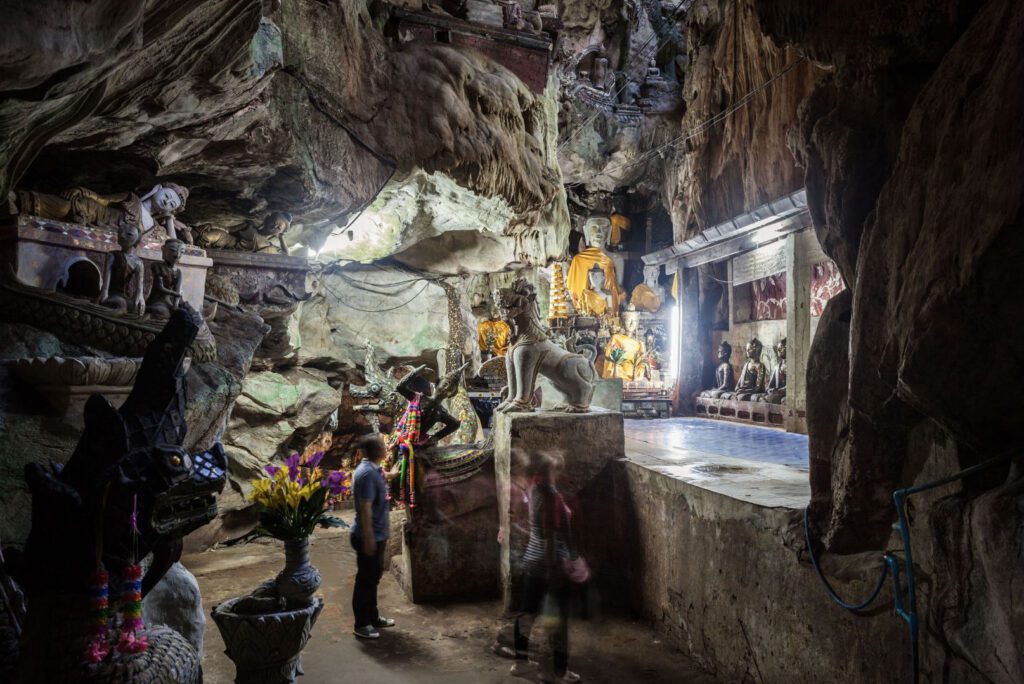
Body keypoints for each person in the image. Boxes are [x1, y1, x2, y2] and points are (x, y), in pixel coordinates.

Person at [511, 451, 582, 683]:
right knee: (559, 622)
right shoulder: (551, 496)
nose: (558, 473)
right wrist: (555, 570)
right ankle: (560, 673)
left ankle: (520, 664)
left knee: (527, 612)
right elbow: (551, 535)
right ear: (546, 472)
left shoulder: (534, 489)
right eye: (554, 469)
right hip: (550, 562)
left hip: (533, 559)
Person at [350, 434, 401, 639]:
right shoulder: (366, 474)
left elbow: (382, 475)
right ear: (376, 451)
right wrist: (369, 538)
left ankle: (373, 617)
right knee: (366, 580)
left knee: (373, 578)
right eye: (382, 445)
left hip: (376, 535)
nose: (385, 447)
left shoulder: (373, 469)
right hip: (367, 536)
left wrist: (392, 474)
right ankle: (361, 624)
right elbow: (365, 508)